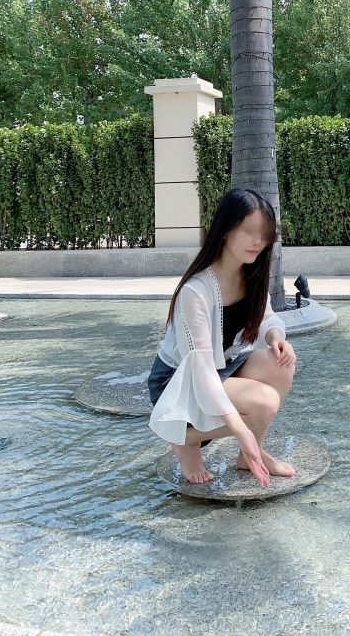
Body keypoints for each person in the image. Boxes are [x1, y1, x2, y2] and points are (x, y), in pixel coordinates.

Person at [147, 187, 297, 488]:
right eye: (249, 231)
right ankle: (187, 439)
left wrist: (276, 338)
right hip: (178, 381)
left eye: (264, 234)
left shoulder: (250, 274)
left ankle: (249, 454)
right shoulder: (196, 291)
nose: (258, 241)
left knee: (280, 362)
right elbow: (201, 372)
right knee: (264, 402)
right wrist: (241, 429)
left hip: (220, 368)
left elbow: (267, 318)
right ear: (226, 229)